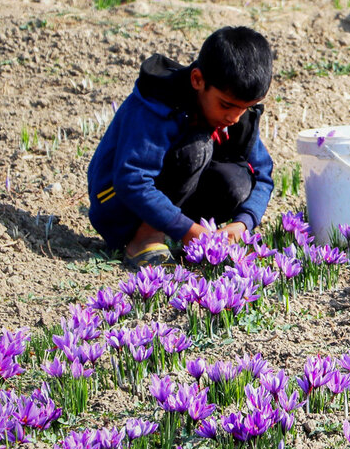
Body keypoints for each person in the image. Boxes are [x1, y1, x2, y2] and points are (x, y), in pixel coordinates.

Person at [87, 26, 275, 268]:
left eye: (245, 107)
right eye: (226, 105)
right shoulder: (159, 103)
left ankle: (175, 232)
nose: (235, 117)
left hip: (170, 197)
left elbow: (262, 174)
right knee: (196, 149)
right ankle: (144, 238)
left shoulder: (235, 109)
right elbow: (131, 179)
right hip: (116, 203)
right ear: (197, 80)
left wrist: (243, 223)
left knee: (236, 180)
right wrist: (186, 228)